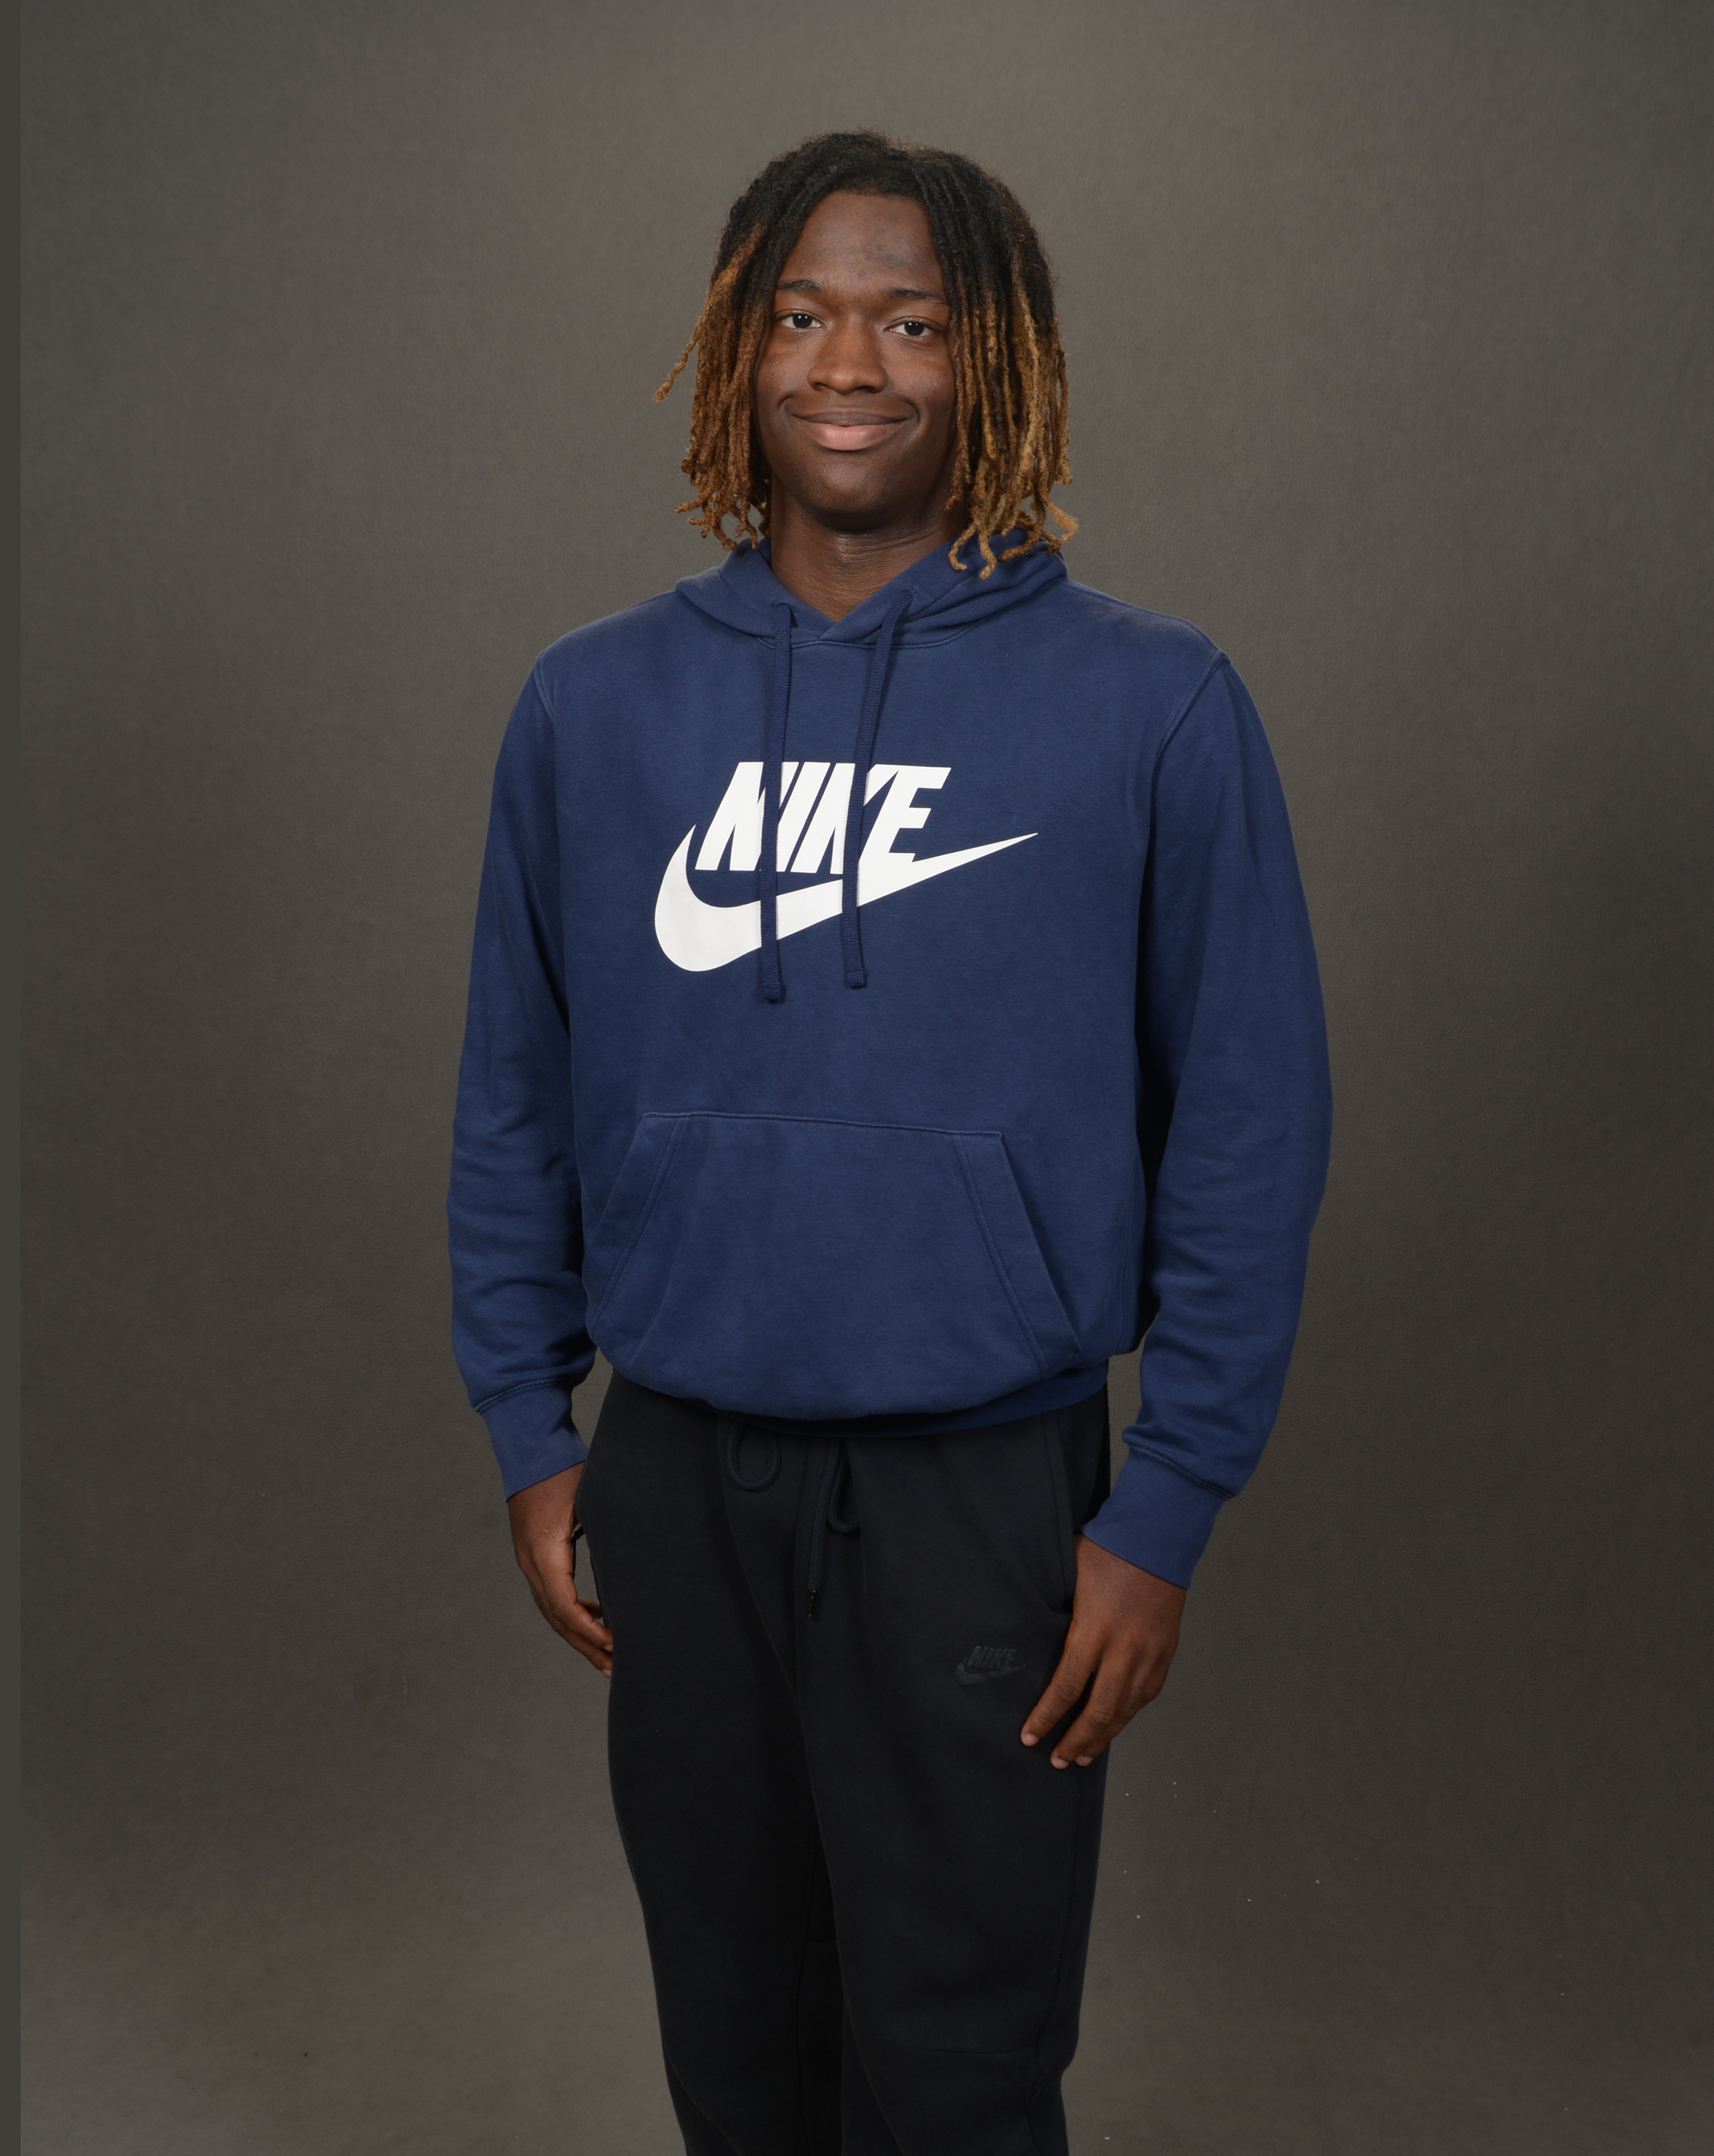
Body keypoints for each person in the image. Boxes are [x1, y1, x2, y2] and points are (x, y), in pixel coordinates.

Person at [448, 129, 1330, 2156]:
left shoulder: (1156, 707)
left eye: (914, 321)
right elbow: (512, 1092)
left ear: (995, 357)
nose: (851, 364)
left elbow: (1251, 1130)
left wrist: (1166, 1506)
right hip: (677, 1478)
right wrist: (528, 1426)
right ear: (732, 352)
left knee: (955, 2080)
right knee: (737, 2062)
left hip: (983, 1493)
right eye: (801, 313)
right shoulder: (591, 707)